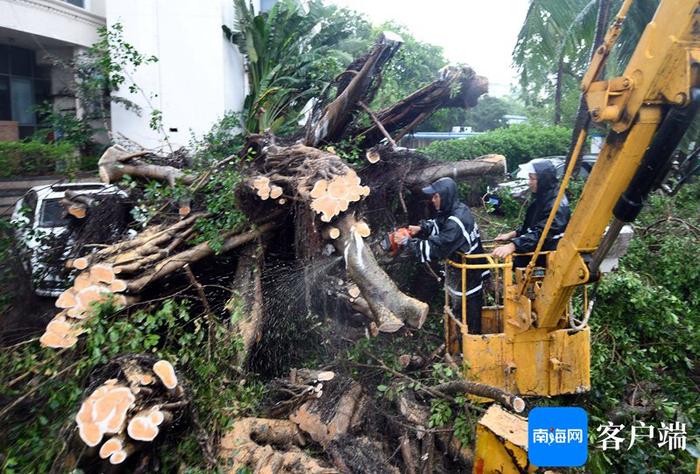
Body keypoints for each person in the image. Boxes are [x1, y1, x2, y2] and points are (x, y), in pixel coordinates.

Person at [403, 177, 488, 334]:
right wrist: (421, 229)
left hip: (468, 276)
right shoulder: (453, 209)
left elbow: (437, 247)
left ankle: (470, 352)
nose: (433, 200)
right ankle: (462, 347)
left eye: (436, 196)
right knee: (458, 314)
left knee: (468, 319)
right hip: (461, 274)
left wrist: (407, 243)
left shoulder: (457, 221)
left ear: (446, 196)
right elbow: (439, 224)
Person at [492, 160, 571, 265]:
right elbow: (534, 224)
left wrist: (513, 245)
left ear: (544, 180)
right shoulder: (544, 196)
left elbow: (543, 233)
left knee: (516, 263)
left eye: (532, 178)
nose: (529, 182)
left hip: (548, 255)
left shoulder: (556, 205)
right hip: (539, 249)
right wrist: (512, 234)